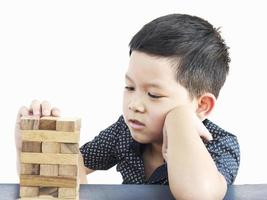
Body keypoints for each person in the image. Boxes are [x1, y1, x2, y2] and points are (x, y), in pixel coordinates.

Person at [15, 14, 240, 200]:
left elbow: (199, 195)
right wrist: (41, 146)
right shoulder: (124, 132)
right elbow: (76, 167)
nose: (134, 105)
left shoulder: (220, 144)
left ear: (202, 105)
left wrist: (179, 118)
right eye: (130, 87)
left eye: (154, 94)